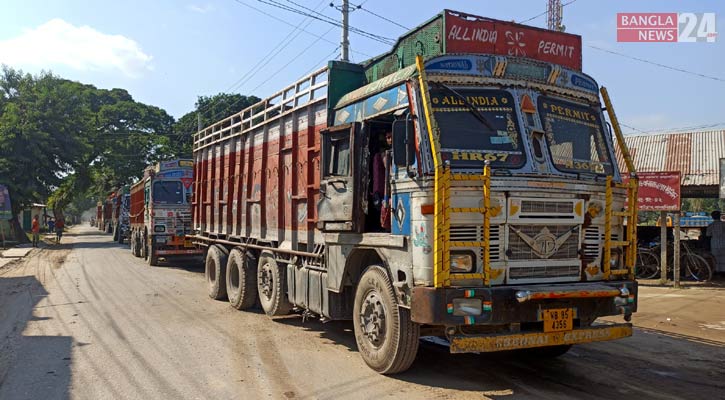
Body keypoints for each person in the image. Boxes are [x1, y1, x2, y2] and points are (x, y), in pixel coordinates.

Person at [371, 130, 393, 230]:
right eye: (388, 137)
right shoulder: (384, 152)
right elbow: (389, 169)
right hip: (385, 185)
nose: (390, 139)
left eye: (392, 137)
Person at [706, 210, 725, 275]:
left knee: (715, 259)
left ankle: (716, 272)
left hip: (714, 244)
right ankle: (723, 272)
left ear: (712, 217)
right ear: (719, 216)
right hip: (723, 243)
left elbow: (708, 235)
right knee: (723, 258)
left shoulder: (711, 225)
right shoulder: (723, 224)